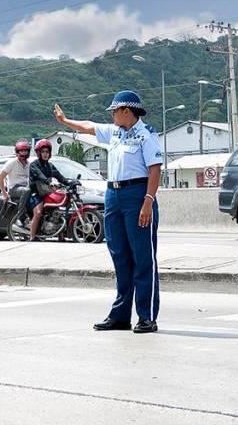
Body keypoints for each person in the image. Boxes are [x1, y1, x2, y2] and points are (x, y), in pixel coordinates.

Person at [54, 91, 162, 334]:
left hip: (138, 194)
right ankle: (121, 316)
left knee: (143, 257)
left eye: (114, 110)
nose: (112, 115)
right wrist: (65, 121)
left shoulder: (147, 135)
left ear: (127, 111)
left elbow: (155, 170)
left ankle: (146, 316)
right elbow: (90, 127)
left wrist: (148, 201)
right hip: (113, 194)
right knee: (120, 255)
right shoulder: (114, 131)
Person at [27, 139, 73, 241]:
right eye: (43, 152)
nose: (45, 154)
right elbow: (40, 175)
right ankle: (32, 237)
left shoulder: (49, 165)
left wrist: (69, 183)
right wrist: (49, 182)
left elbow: (59, 176)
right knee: (38, 212)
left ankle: (60, 236)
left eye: (47, 152)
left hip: (46, 192)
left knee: (57, 212)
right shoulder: (34, 165)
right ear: (39, 153)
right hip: (36, 193)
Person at [0, 140, 32, 221]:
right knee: (26, 191)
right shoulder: (12, 163)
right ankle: (20, 216)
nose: (24, 153)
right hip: (14, 189)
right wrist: (4, 194)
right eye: (22, 151)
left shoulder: (29, 164)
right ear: (17, 152)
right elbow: (0, 177)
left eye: (26, 150)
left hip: (25, 188)